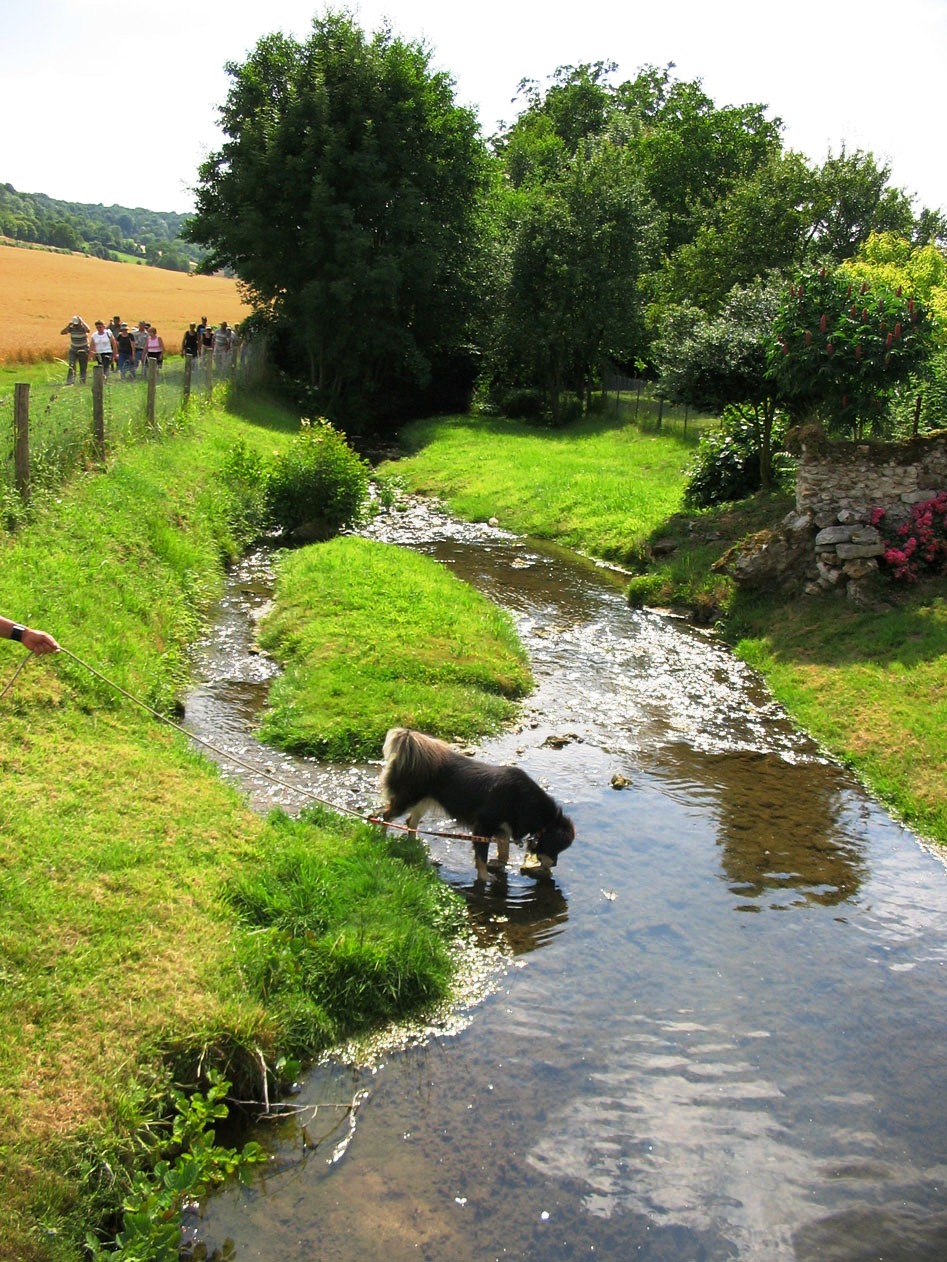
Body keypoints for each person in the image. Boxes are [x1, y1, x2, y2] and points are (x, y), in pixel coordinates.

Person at [61, 315, 90, 384]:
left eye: (77, 324)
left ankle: (82, 380)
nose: (76, 326)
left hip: (83, 349)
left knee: (83, 365)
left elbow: (88, 330)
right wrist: (68, 325)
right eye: (75, 324)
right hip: (73, 349)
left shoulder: (83, 328)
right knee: (71, 365)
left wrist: (82, 321)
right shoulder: (71, 328)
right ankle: (70, 381)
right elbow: (62, 332)